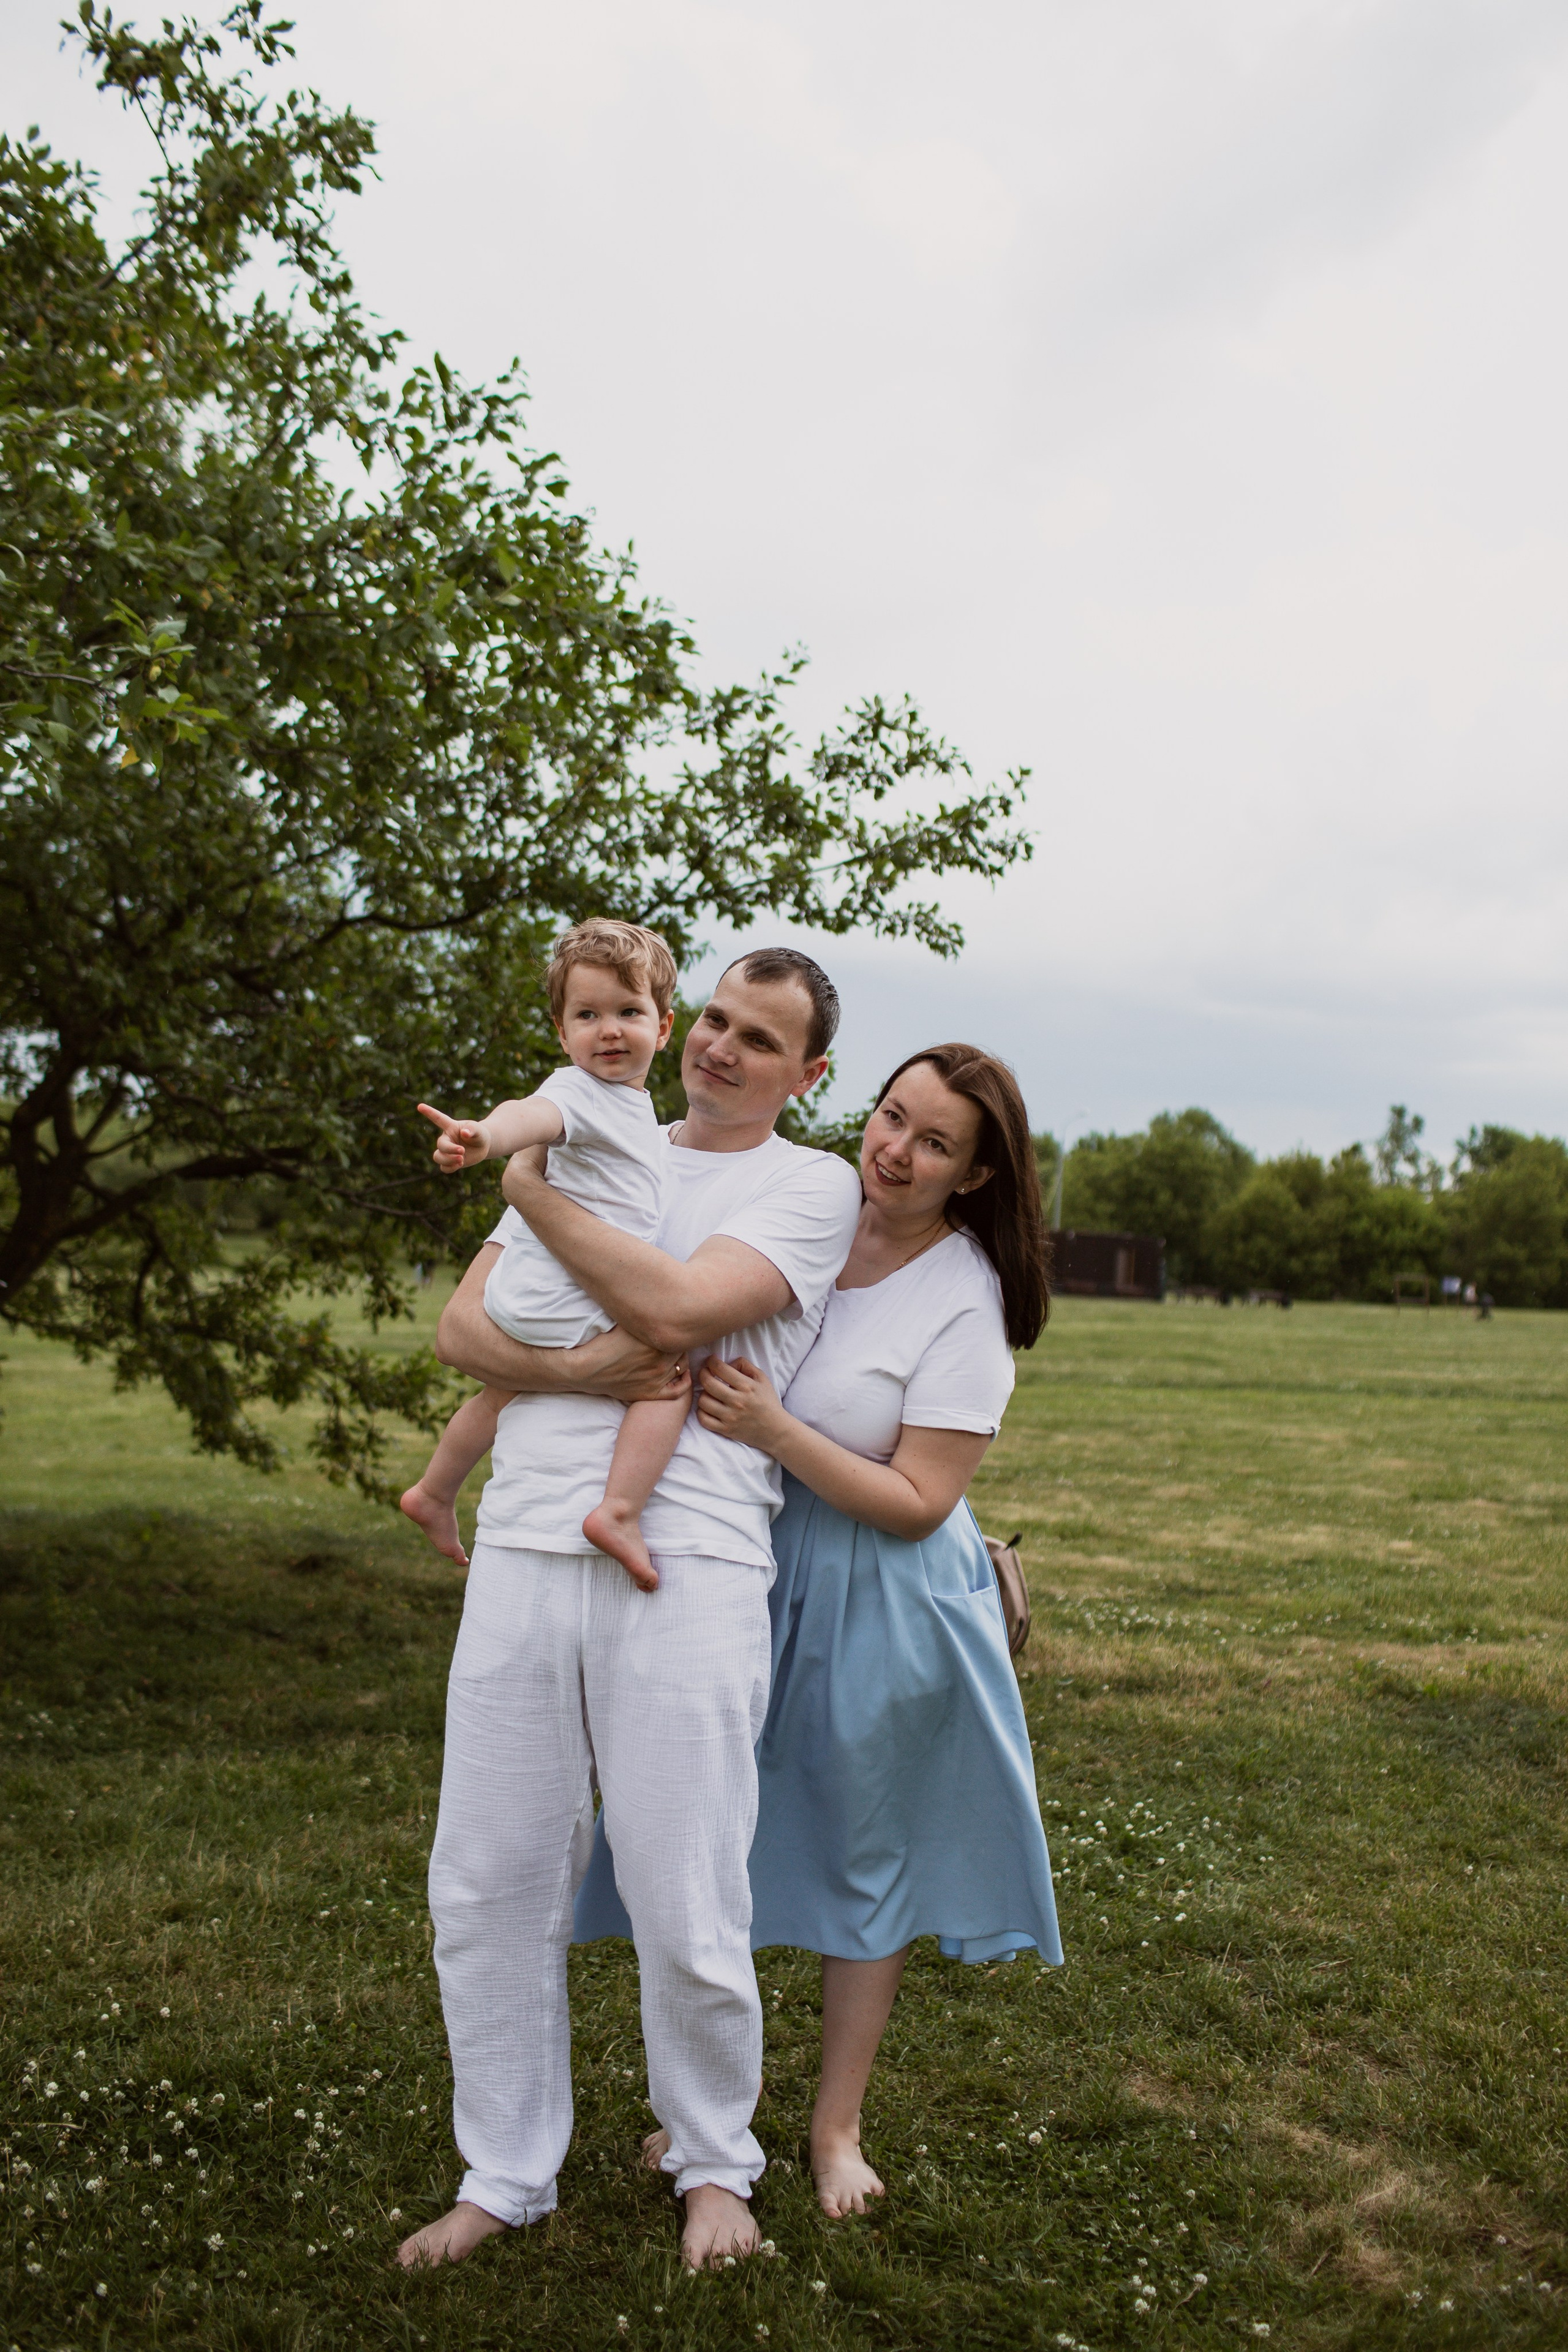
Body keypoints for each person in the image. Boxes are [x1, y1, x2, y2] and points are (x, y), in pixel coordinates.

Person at [396, 948, 862, 2275]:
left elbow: (683, 1305)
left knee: (683, 1884)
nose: (719, 1047)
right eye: (714, 1018)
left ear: (808, 1075)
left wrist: (530, 1194)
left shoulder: (807, 1184)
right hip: (523, 1544)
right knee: (484, 1877)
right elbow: (461, 1333)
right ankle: (504, 2173)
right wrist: (590, 1367)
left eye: (759, 1039)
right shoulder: (594, 1131)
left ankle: (714, 2163)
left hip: (689, 1558)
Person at [584, 1043, 1060, 2218]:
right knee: (714, 1831)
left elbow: (921, 1500)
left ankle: (835, 2126)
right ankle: (709, 2110)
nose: (895, 1151)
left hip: (885, 1591)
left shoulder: (964, 1296)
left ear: (975, 1176)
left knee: (864, 1855)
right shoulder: (804, 1203)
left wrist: (776, 1432)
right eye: (892, 1117)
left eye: (935, 1144)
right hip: (746, 1559)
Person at [399, 918, 687, 1589]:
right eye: (587, 1015)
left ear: (663, 1027)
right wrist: (484, 1136)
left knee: (502, 1392)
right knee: (668, 1371)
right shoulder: (580, 1092)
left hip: (530, 1293)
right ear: (562, 1033)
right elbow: (530, 1114)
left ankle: (434, 1490)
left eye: (628, 1012)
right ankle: (619, 1511)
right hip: (562, 1294)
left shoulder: (633, 1112)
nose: (608, 1030)